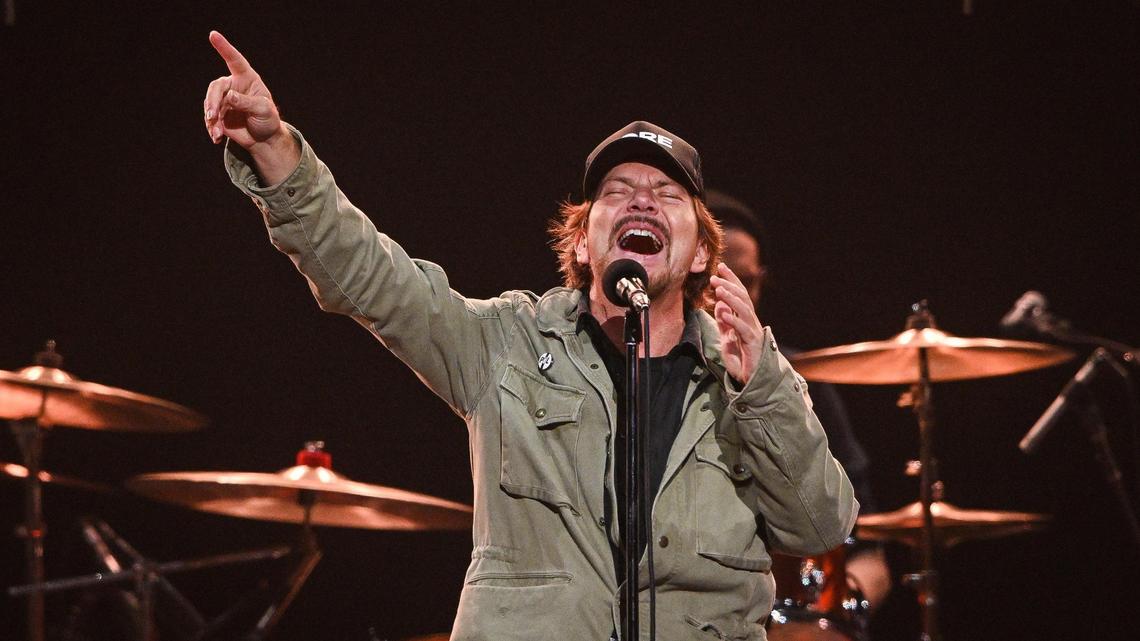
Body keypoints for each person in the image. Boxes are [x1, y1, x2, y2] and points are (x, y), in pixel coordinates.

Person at [202, 31, 857, 641]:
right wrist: (275, 153)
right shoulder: (505, 343)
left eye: (667, 194)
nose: (641, 201)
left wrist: (760, 387)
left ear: (698, 257)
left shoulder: (749, 378)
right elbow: (370, 275)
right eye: (616, 191)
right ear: (581, 241)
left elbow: (820, 523)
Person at [706, 190, 891, 614]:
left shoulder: (800, 379)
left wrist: (845, 606)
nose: (732, 296)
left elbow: (866, 549)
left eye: (747, 281)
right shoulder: (651, 372)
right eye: (719, 279)